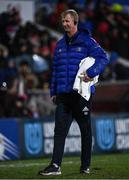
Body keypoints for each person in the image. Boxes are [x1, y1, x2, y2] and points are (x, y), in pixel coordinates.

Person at [38, 9, 109, 176]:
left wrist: (91, 73)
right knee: (59, 131)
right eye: (63, 21)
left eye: (67, 21)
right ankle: (55, 166)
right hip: (63, 95)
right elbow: (55, 69)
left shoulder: (87, 41)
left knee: (85, 131)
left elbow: (103, 57)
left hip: (81, 96)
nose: (64, 24)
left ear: (75, 22)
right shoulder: (60, 44)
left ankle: (85, 166)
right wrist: (53, 91)